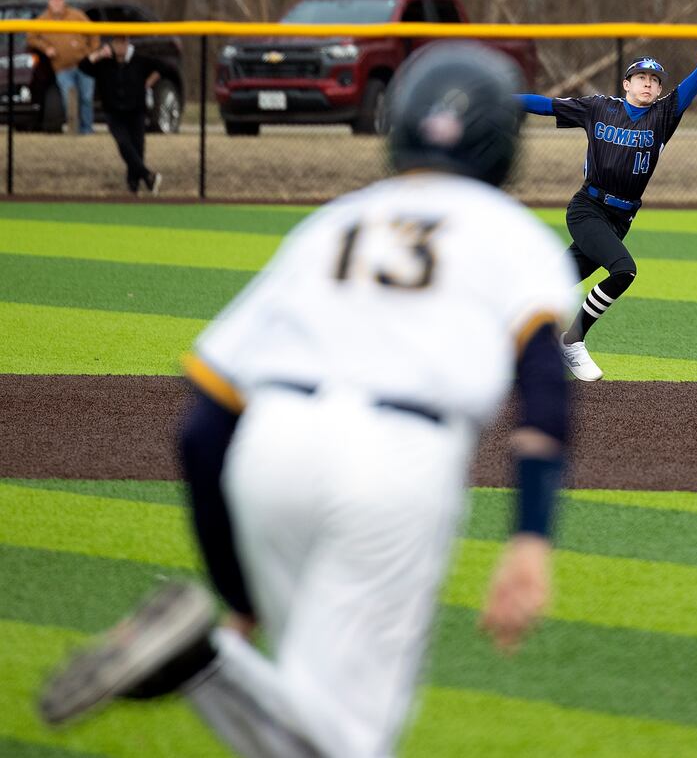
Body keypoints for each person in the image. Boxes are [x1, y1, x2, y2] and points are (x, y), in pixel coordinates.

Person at [38, 42, 578, 757]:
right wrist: (532, 535)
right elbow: (545, 383)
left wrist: (237, 592)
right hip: (396, 467)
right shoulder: (511, 232)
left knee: (299, 721)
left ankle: (207, 662)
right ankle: (201, 661)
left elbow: (202, 427)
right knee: (350, 740)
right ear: (502, 147)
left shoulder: (329, 225)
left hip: (273, 449)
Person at [519, 8, 697, 381]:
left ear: (661, 90)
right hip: (587, 208)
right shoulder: (598, 108)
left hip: (621, 219)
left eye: (655, 80)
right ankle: (571, 341)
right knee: (623, 271)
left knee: (551, 280)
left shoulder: (664, 116)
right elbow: (544, 104)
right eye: (641, 78)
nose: (648, 84)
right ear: (626, 84)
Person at [79, 35, 163, 195]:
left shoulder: (138, 60)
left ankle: (134, 186)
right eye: (117, 42)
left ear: (128, 43)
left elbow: (163, 67)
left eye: (123, 42)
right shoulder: (104, 62)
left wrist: (149, 82)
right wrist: (98, 55)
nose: (120, 46)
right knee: (124, 144)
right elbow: (83, 66)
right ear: (111, 44)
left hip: (136, 111)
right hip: (114, 112)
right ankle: (147, 176)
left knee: (137, 148)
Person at [27, 0, 99, 134]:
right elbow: (31, 38)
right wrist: (46, 48)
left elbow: (94, 33)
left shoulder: (76, 15)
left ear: (63, 1)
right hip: (62, 68)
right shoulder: (43, 19)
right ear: (49, 2)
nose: (56, 2)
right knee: (69, 99)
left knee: (86, 98)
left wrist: (91, 53)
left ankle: (87, 130)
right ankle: (74, 129)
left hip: (84, 65)